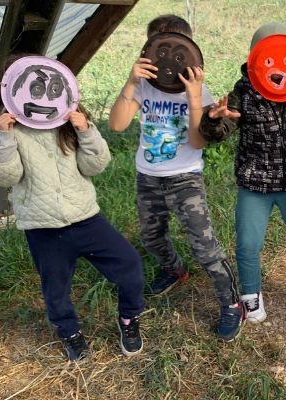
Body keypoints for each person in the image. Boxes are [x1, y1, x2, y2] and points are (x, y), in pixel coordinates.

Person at [0, 58, 145, 362]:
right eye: (33, 87)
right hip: (43, 228)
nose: (43, 95)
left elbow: (95, 165)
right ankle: (69, 333)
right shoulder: (8, 130)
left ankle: (129, 320)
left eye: (51, 87)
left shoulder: (68, 122)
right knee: (55, 288)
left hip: (85, 219)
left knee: (130, 263)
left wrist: (86, 130)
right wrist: (3, 138)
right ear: (11, 90)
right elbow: (6, 177)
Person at [108, 15, 243, 342]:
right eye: (160, 49)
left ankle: (231, 302)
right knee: (151, 236)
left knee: (203, 244)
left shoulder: (199, 91)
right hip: (148, 176)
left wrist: (195, 97)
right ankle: (174, 270)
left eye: (177, 51)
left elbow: (198, 142)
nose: (168, 60)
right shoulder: (141, 85)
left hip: (185, 179)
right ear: (148, 50)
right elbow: (117, 124)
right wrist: (129, 82)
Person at [199, 23, 286, 324]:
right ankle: (251, 293)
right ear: (254, 60)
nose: (277, 67)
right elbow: (219, 132)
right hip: (255, 183)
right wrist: (212, 120)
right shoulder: (242, 93)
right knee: (248, 243)